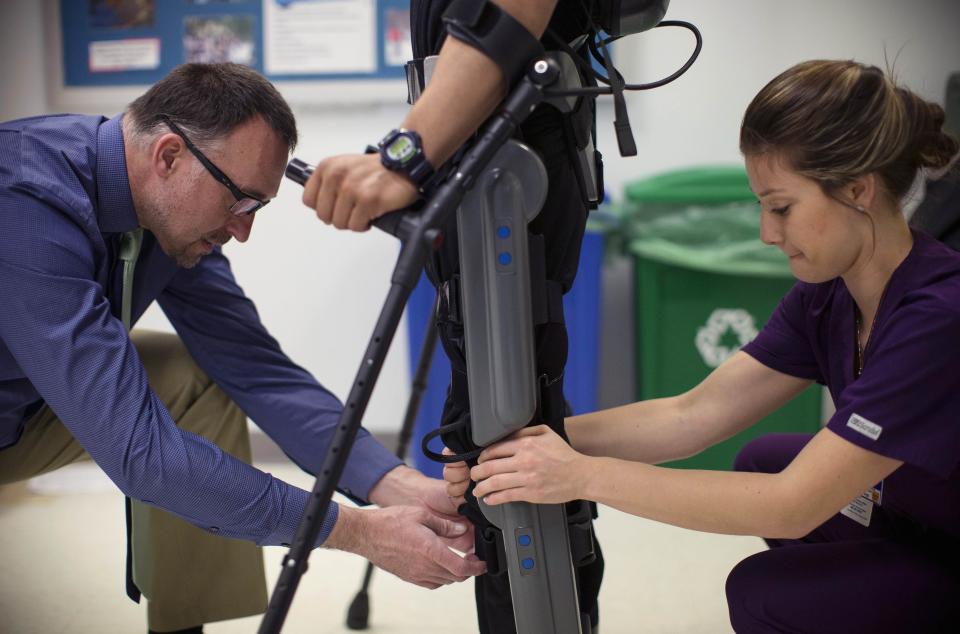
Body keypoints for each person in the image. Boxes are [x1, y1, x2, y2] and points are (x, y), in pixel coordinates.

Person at [446, 59, 960, 632]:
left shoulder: (938, 319)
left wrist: (579, 476)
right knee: (764, 461)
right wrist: (521, 450)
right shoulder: (830, 295)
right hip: (920, 512)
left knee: (763, 592)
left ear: (859, 190)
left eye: (781, 207)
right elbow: (693, 414)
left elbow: (793, 505)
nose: (767, 233)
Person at [0, 62, 484, 634]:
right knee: (150, 442)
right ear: (170, 156)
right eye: (241, 201)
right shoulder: (25, 199)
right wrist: (357, 531)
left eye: (257, 209)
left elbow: (258, 371)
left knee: (196, 374)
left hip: (24, 407)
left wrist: (396, 484)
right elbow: (143, 457)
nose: (242, 230)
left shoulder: (166, 222)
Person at [299, 1, 608, 631]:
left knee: (509, 442)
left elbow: (507, 15)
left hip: (510, 149)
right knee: (492, 439)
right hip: (482, 145)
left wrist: (403, 157)